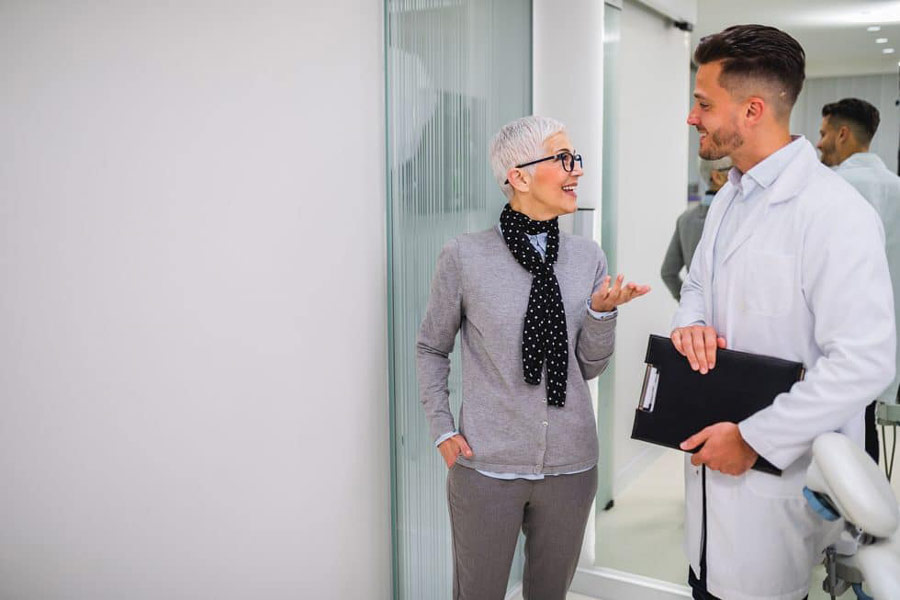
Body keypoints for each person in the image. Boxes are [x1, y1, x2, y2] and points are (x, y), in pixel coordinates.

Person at [673, 25, 895, 600]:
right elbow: (695, 280)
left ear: (751, 109)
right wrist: (691, 320)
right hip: (709, 495)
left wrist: (753, 438)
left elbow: (865, 362)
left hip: (774, 492)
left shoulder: (833, 213)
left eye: (703, 103)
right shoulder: (728, 199)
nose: (692, 117)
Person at [416, 115, 649, 600]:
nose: (576, 170)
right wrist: (442, 429)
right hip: (485, 467)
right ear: (518, 177)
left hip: (571, 465)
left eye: (575, 159)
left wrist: (601, 315)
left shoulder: (589, 258)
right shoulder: (464, 256)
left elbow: (589, 367)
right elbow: (431, 347)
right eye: (562, 159)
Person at [817, 98, 900, 461]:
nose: (818, 143)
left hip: (832, 343)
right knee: (867, 434)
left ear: (843, 134)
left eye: (823, 134)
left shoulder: (825, 189)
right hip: (887, 343)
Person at [661, 157, 732, 300]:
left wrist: (690, 303)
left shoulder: (685, 219)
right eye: (734, 170)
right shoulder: (735, 215)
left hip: (698, 317)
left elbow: (668, 272)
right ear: (717, 177)